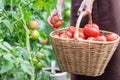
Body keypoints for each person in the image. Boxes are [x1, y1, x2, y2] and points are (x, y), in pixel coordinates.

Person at [47, 0, 120, 80]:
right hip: (80, 5)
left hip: (106, 7)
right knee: (79, 60)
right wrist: (59, 5)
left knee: (110, 66)